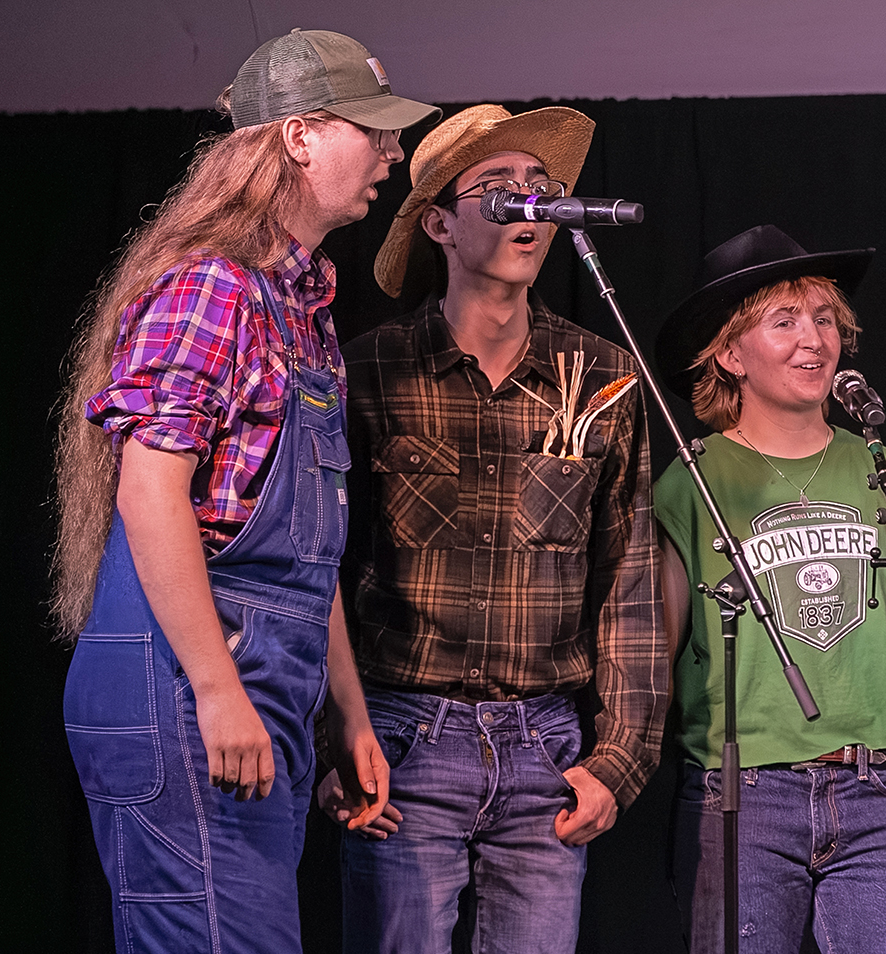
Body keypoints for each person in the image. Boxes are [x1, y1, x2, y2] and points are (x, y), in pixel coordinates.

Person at [52, 28, 438, 954]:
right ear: (299, 136)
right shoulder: (209, 290)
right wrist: (219, 688)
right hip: (186, 678)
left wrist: (344, 710)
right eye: (373, 131)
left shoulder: (298, 307)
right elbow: (150, 492)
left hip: (265, 674)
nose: (393, 153)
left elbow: (308, 551)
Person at [325, 104, 667, 954]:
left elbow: (629, 580)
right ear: (439, 221)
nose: (530, 200)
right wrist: (329, 739)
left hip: (545, 746)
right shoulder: (369, 370)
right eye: (500, 187)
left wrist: (618, 759)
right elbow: (315, 568)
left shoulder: (604, 375)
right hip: (403, 742)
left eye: (541, 187)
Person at [653, 225, 886, 953]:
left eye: (824, 320)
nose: (811, 340)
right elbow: (655, 651)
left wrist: (858, 726)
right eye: (783, 322)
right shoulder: (691, 482)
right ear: (730, 353)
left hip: (880, 791)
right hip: (742, 795)